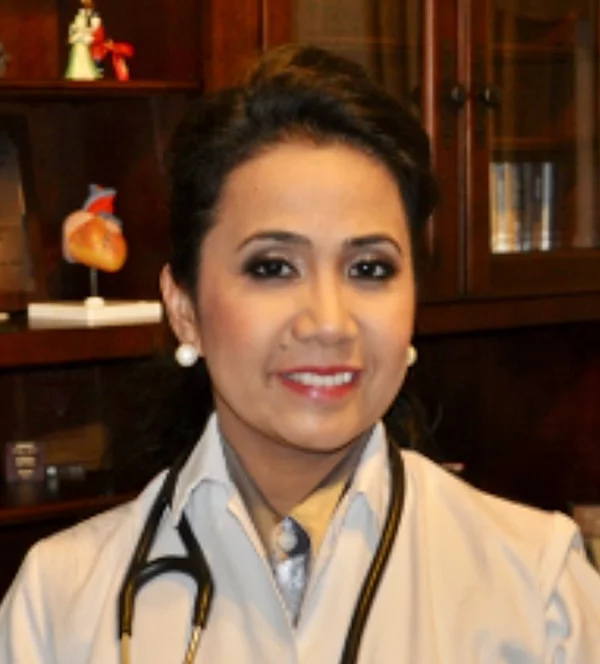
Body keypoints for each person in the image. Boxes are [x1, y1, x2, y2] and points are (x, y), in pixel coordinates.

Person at [1, 43, 600, 663]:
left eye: (369, 268)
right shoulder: (60, 605)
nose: (329, 323)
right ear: (184, 310)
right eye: (273, 267)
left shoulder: (538, 590)